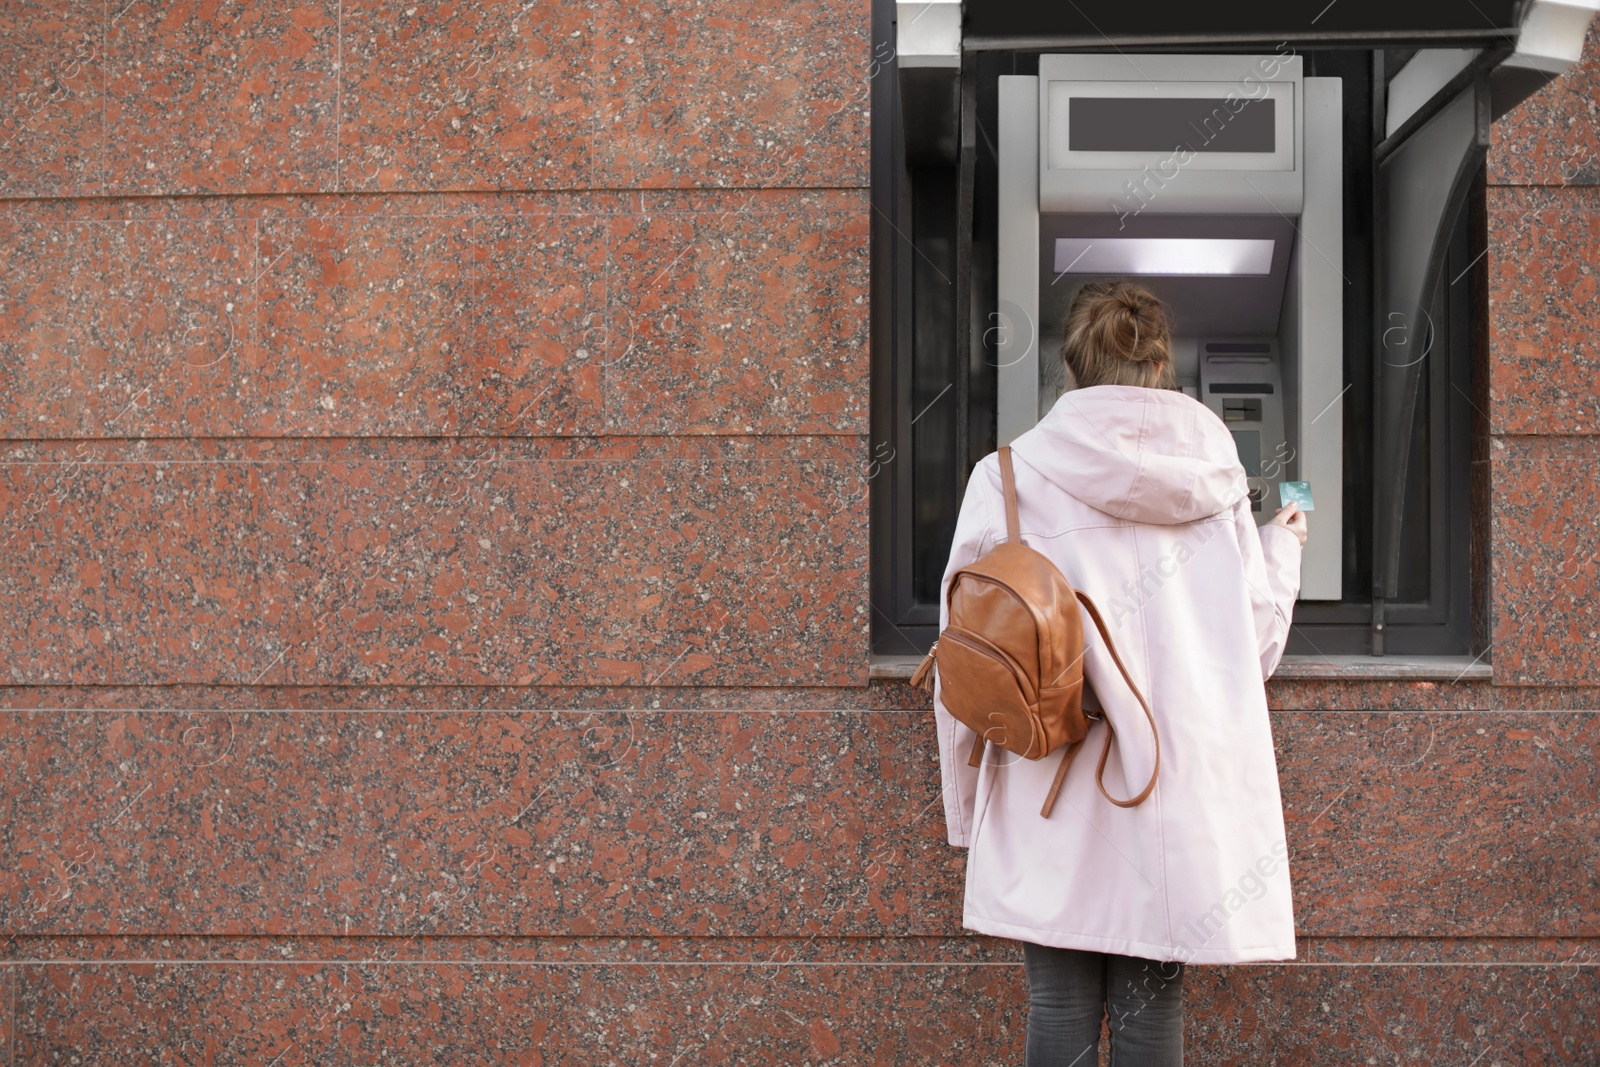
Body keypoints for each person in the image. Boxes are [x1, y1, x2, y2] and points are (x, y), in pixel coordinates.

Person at [931, 280, 1309, 1066]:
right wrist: (1286, 547)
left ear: (1069, 369)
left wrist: (967, 815)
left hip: (1045, 786)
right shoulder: (1217, 480)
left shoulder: (1005, 478)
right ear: (1163, 370)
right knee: (1149, 1015)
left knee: (1059, 1009)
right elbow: (1256, 646)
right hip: (1166, 790)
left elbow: (959, 669)